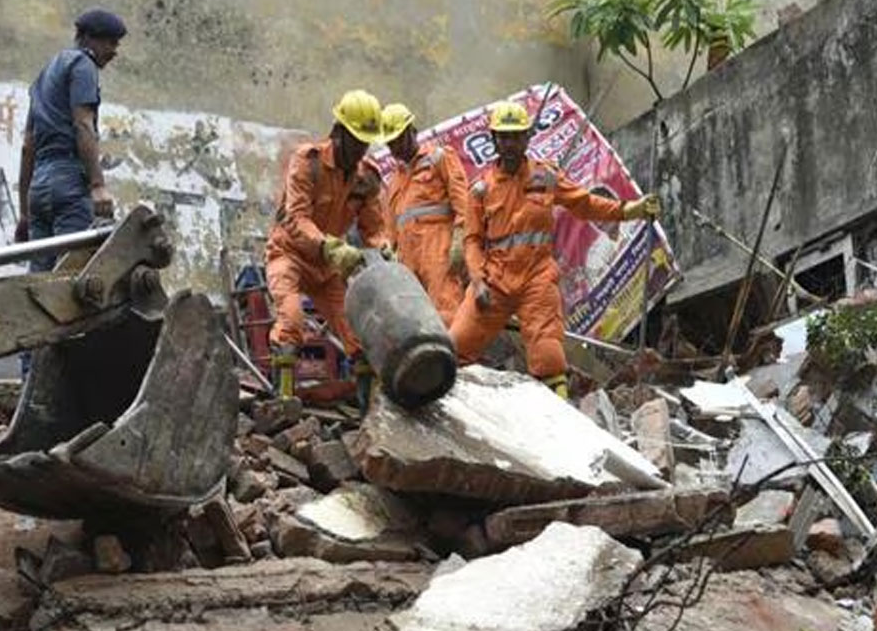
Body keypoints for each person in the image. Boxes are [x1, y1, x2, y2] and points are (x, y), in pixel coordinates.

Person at [449, 101, 660, 399]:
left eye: (516, 136)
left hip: (536, 279)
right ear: (494, 139)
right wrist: (478, 281)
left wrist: (630, 210)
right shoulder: (480, 190)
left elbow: (585, 203)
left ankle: (559, 418)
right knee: (455, 348)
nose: (509, 144)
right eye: (503, 137)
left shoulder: (545, 177)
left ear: (527, 138)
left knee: (549, 358)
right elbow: (471, 241)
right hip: (493, 280)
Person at [264, 89, 389, 407]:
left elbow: (374, 228)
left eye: (366, 141)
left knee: (358, 335)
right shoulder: (308, 163)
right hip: (289, 254)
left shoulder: (366, 178)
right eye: (356, 139)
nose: (361, 148)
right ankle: (284, 401)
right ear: (339, 132)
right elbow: (297, 217)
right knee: (291, 320)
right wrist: (330, 246)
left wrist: (384, 249)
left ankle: (369, 411)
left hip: (329, 267)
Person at [15, 8, 125, 267]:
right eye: (110, 42)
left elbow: (27, 147)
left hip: (39, 189)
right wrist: (98, 186)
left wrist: (25, 214)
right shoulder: (83, 65)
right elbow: (83, 125)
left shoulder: (44, 77)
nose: (114, 51)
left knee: (40, 287)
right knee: (71, 277)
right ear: (90, 39)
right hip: (69, 183)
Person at [379, 103, 470, 325]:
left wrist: (460, 239)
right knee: (414, 317)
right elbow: (392, 224)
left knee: (445, 309)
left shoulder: (439, 158)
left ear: (412, 131)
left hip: (438, 250)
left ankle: (452, 358)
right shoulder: (395, 181)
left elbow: (464, 203)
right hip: (408, 259)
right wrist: (387, 246)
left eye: (399, 139)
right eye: (390, 142)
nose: (395, 147)